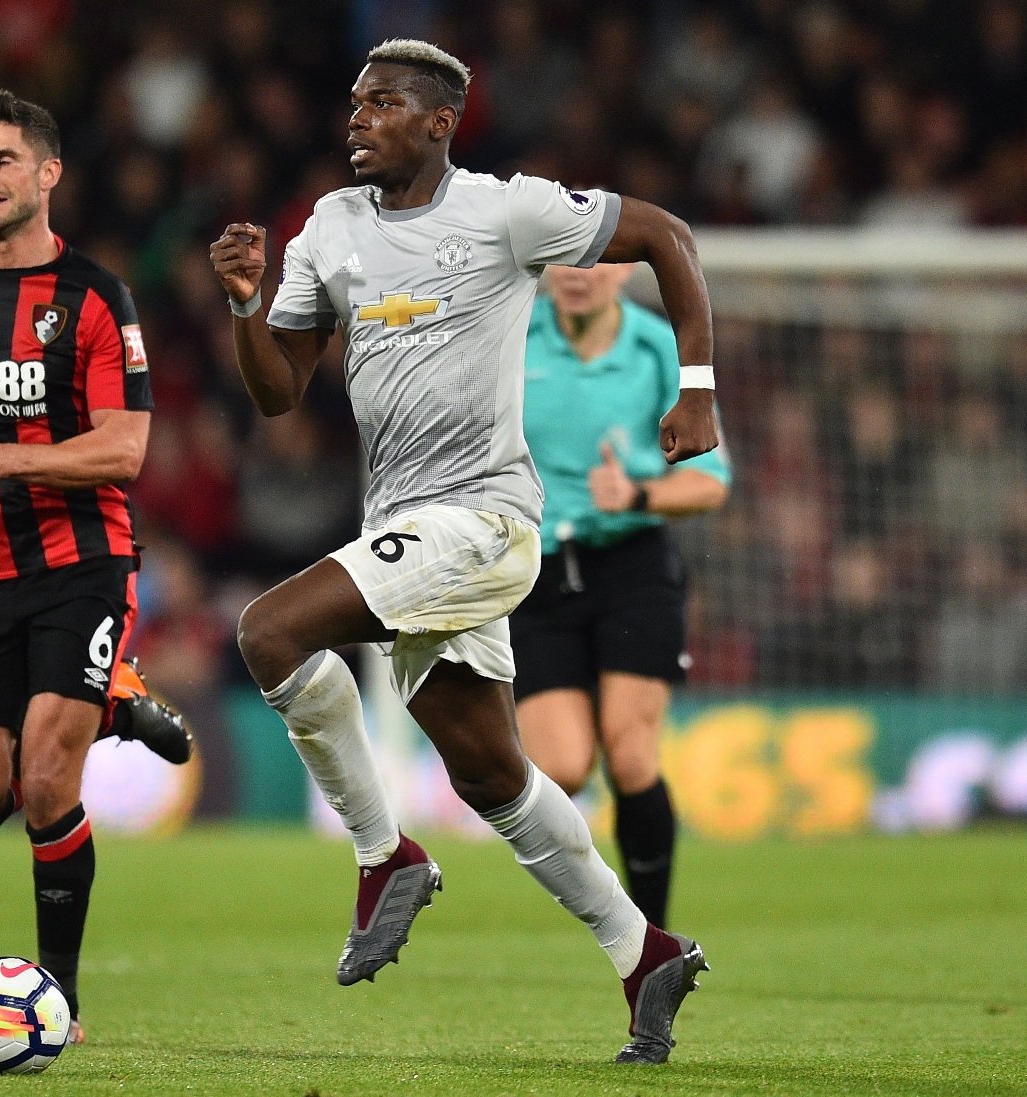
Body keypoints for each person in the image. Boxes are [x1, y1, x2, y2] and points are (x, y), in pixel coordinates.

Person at [209, 40, 718, 1064]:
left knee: (266, 631)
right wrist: (243, 304)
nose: (356, 118)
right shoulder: (329, 229)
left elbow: (664, 235)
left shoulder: (504, 209)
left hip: (482, 518)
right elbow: (277, 390)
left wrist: (696, 383)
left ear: (440, 123)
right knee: (493, 772)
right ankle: (643, 948)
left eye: (383, 104)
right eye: (353, 103)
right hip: (406, 526)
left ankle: (381, 852)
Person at [0, 89, 191, 1046]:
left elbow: (124, 449)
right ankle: (114, 705)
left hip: (81, 564)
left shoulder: (96, 298)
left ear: (48, 173)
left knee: (48, 783)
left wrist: (1, 458)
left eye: (5, 160)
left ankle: (58, 994)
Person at [514, 262, 732, 931]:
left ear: (626, 270)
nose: (578, 275)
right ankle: (612, 919)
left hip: (630, 563)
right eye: (564, 258)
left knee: (631, 751)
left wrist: (637, 493)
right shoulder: (508, 337)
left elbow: (709, 480)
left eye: (596, 259)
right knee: (560, 766)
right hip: (535, 571)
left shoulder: (659, 345)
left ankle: (651, 942)